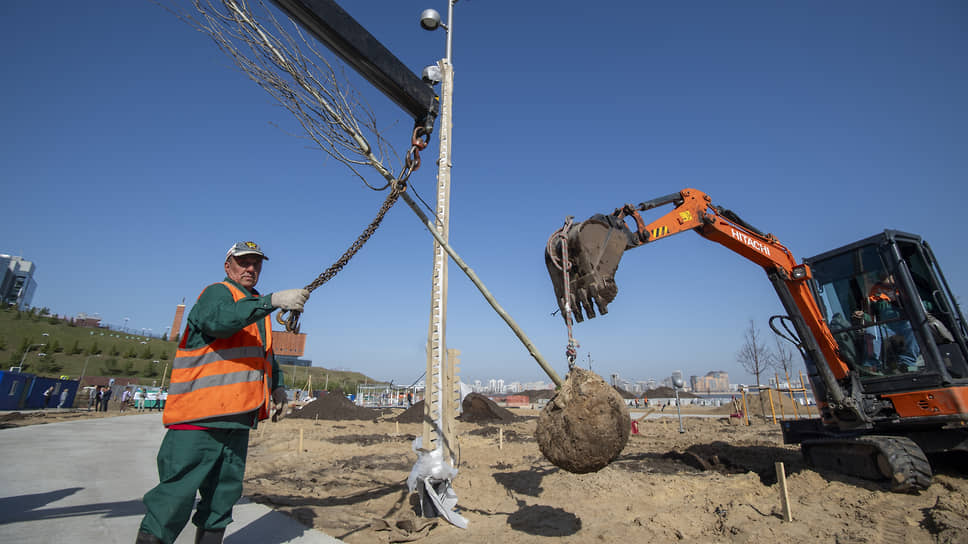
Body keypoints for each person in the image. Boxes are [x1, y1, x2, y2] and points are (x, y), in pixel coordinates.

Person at [137, 241, 309, 544]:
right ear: (228, 265)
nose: (251, 268)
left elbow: (264, 354)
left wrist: (278, 386)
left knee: (221, 500)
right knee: (174, 497)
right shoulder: (218, 294)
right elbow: (219, 322)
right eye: (244, 262)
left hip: (237, 421)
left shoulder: (256, 309)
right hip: (199, 418)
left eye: (256, 263)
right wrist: (272, 299)